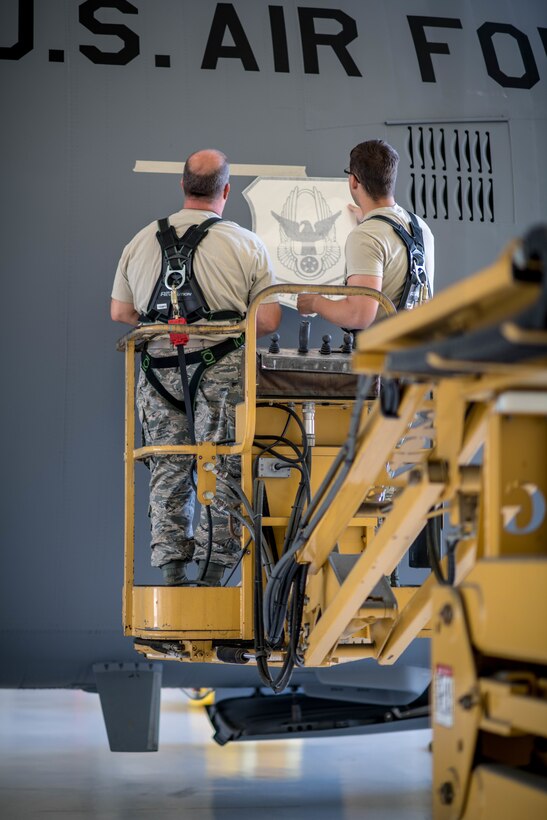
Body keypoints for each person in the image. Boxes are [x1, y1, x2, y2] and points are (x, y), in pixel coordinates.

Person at [111, 149, 281, 586]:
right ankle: (214, 574)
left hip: (156, 372)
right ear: (226, 190)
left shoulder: (140, 240)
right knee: (221, 466)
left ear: (183, 187)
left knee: (168, 466)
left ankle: (172, 574)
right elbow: (267, 320)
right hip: (220, 371)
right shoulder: (246, 243)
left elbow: (120, 312)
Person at [296, 139, 434, 327]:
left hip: (383, 352)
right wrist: (371, 218)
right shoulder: (421, 227)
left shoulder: (365, 237)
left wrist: (314, 302)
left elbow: (358, 315)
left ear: (353, 181)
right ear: (391, 179)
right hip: (418, 349)